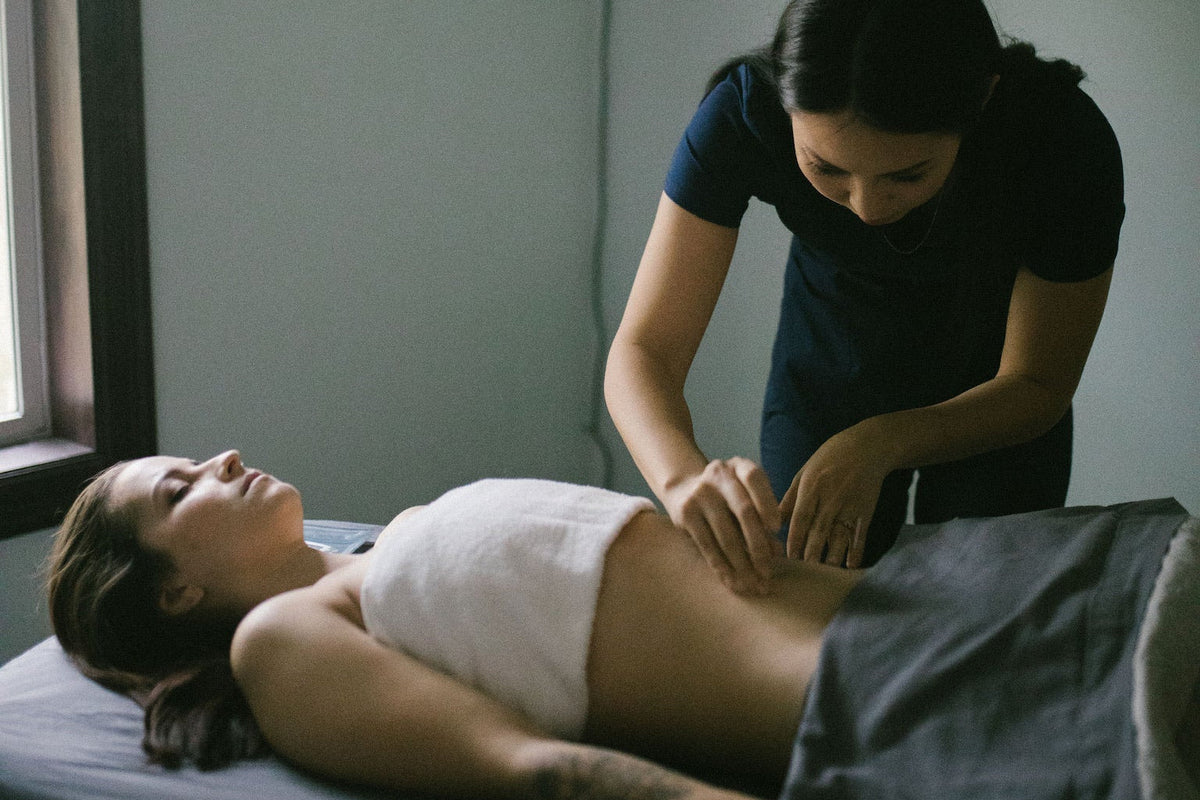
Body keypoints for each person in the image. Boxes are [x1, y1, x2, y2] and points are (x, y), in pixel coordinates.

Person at [43, 450, 1191, 798]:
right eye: (180, 488)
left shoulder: (389, 535)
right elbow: (539, 770)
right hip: (923, 701)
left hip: (978, 592)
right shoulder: (282, 639)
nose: (222, 461)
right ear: (171, 591)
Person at [604, 0, 1125, 591]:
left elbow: (1038, 383)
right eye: (825, 168)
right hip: (829, 366)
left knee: (985, 612)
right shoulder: (743, 111)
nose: (869, 209)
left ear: (981, 98)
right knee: (807, 601)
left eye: (907, 175)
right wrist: (680, 480)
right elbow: (646, 349)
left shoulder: (1063, 141)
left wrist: (880, 442)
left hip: (998, 399)